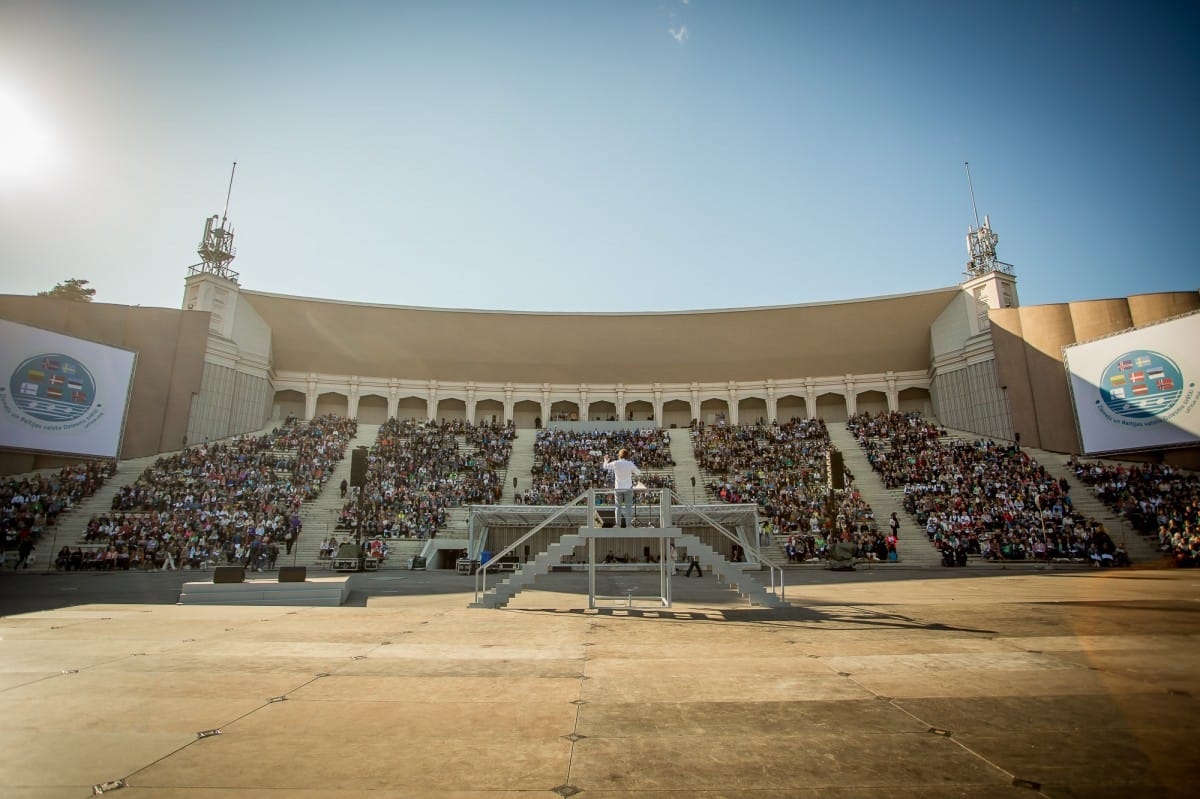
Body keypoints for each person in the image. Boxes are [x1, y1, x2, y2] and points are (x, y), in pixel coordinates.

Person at [602, 448, 641, 528]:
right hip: (628, 488)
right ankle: (629, 525)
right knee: (628, 507)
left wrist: (606, 460)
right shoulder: (630, 464)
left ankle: (618, 525)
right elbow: (638, 473)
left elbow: (605, 467)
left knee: (618, 507)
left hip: (618, 488)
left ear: (619, 455)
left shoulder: (616, 463)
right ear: (627, 456)